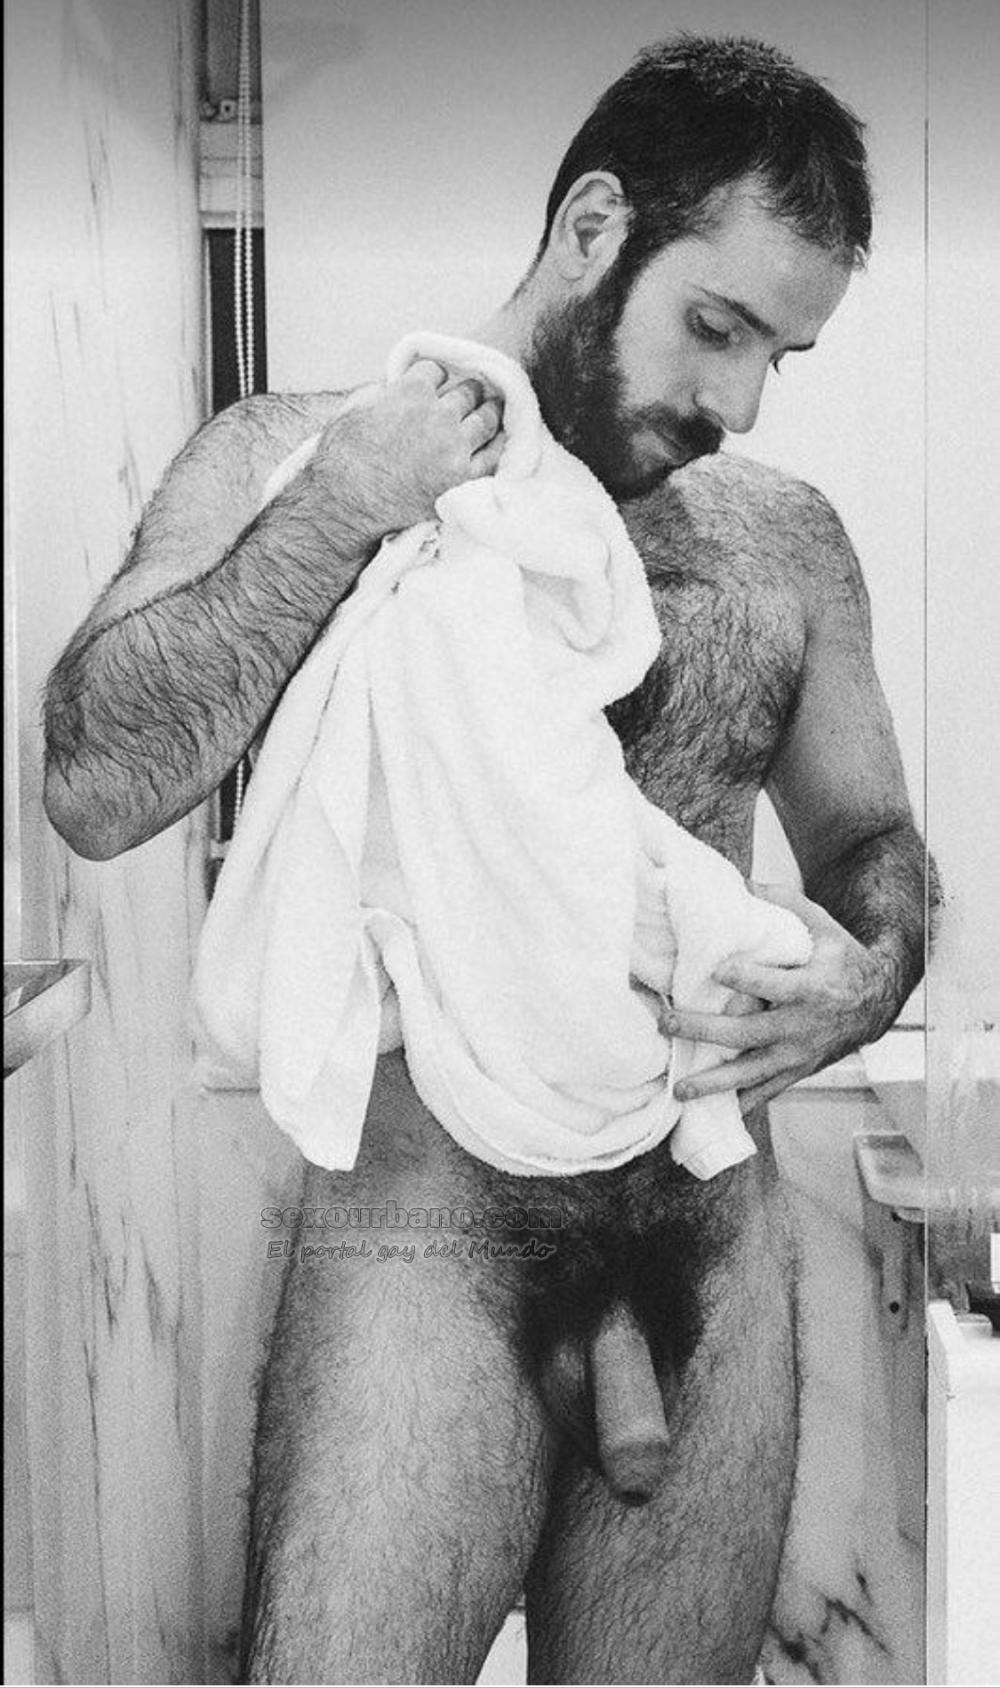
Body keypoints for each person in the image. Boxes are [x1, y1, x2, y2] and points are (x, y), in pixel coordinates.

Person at [43, 34, 932, 1686]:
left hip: (705, 1243)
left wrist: (869, 976)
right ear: (595, 226)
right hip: (423, 1235)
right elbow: (96, 783)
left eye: (779, 357)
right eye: (716, 328)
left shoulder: (784, 546)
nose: (737, 404)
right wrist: (342, 511)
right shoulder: (301, 456)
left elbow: (870, 844)